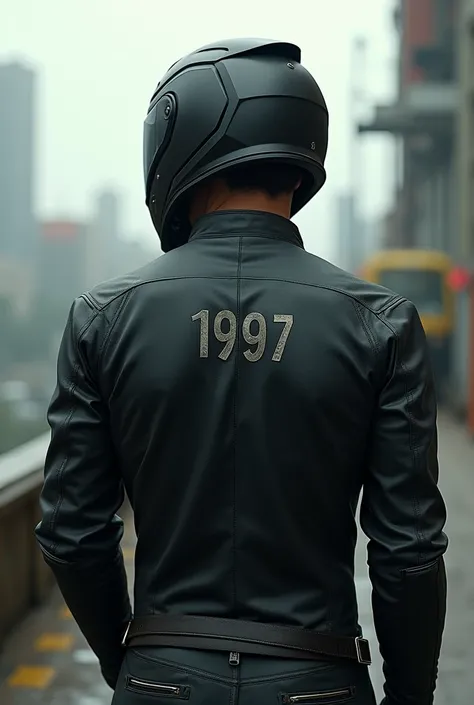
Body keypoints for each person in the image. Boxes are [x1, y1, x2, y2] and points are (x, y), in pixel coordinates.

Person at [35, 38, 448, 705]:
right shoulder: (382, 322)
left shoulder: (102, 318)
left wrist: (134, 658)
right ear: (299, 155)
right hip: (320, 681)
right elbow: (408, 550)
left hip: (159, 675)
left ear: (183, 140)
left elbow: (71, 533)